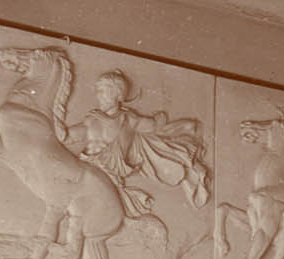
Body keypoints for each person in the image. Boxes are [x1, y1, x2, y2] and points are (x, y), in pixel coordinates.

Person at [67, 70, 209, 213]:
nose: (98, 95)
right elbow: (69, 136)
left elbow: (156, 128)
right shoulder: (92, 119)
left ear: (117, 93)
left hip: (108, 176)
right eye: (98, 91)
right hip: (85, 171)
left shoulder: (130, 120)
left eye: (103, 90)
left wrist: (182, 125)